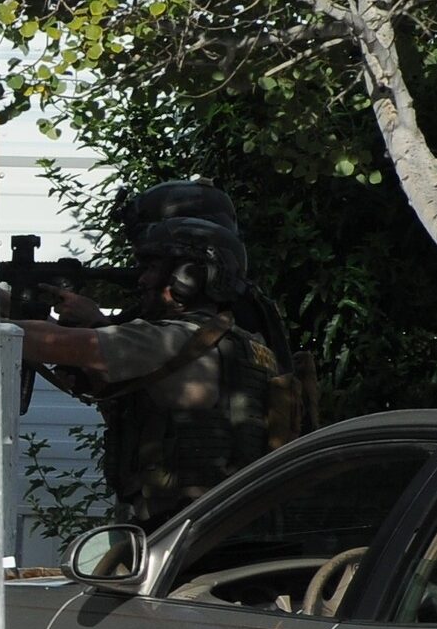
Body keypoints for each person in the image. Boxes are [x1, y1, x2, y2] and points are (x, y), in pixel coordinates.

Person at [15, 215, 280, 530]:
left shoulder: (175, 338)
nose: (141, 280)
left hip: (184, 532)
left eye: (153, 268)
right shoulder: (235, 340)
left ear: (188, 277)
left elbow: (52, 343)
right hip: (215, 526)